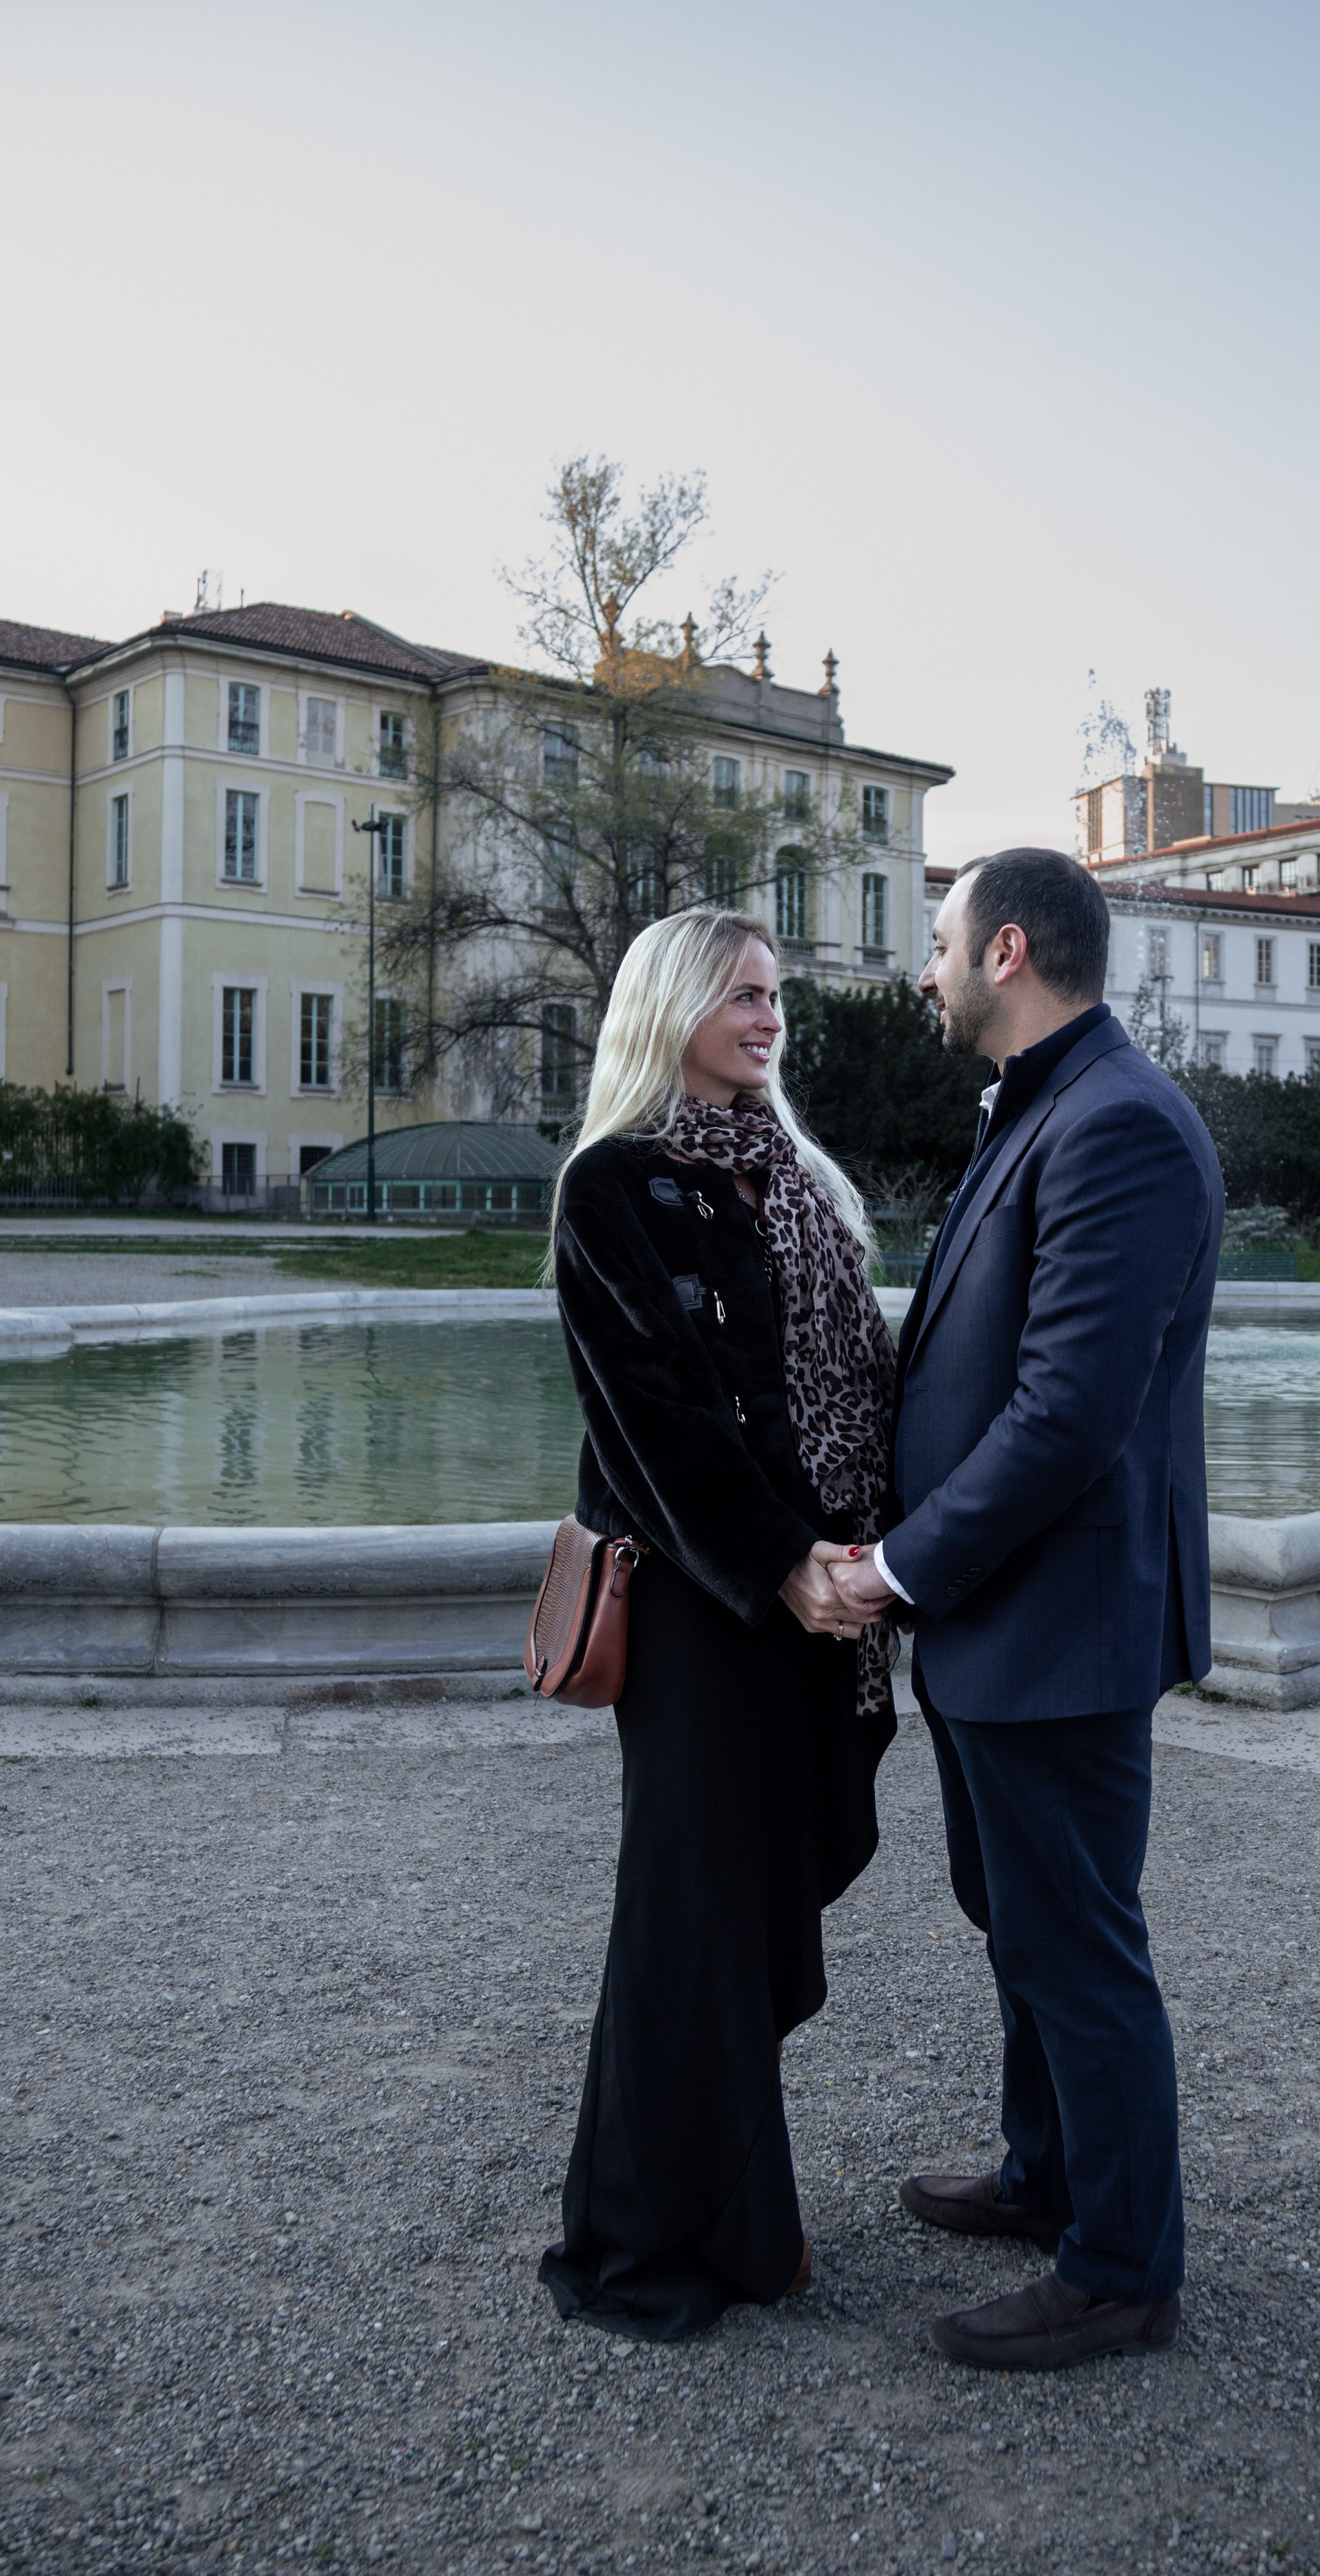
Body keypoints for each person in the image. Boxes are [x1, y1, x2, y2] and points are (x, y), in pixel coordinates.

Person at [827, 846, 1224, 2372]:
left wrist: (900, 1568)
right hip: (1009, 1621)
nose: (919, 973)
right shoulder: (1049, 1100)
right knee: (1022, 1925)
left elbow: (1064, 1415)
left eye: (933, 945)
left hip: (1056, 1624)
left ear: (1001, 951)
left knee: (1076, 1945)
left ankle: (1121, 2269)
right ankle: (1043, 2174)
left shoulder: (1114, 1122)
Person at [537, 908, 899, 2342]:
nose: (767, 1019)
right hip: (706, 1611)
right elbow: (652, 1426)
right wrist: (782, 1563)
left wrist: (867, 1561)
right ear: (671, 1006)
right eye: (741, 996)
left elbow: (864, 1380)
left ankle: (748, 2220)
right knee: (687, 1926)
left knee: (745, 1920)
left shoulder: (798, 1180)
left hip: (815, 1606)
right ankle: (645, 2243)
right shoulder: (611, 1187)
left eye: (774, 998)